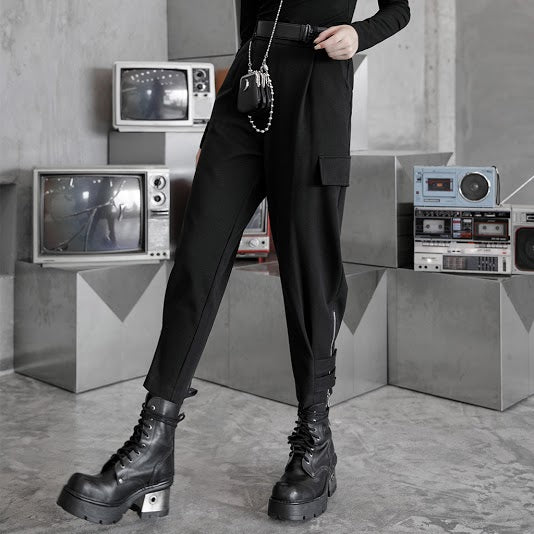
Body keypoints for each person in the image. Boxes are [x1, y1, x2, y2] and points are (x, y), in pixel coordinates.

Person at [56, 0, 411, 525]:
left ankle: (315, 442)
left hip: (317, 84)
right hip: (247, 85)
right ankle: (152, 447)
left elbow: (399, 8)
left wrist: (360, 35)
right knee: (196, 262)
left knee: (310, 273)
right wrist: (235, 88)